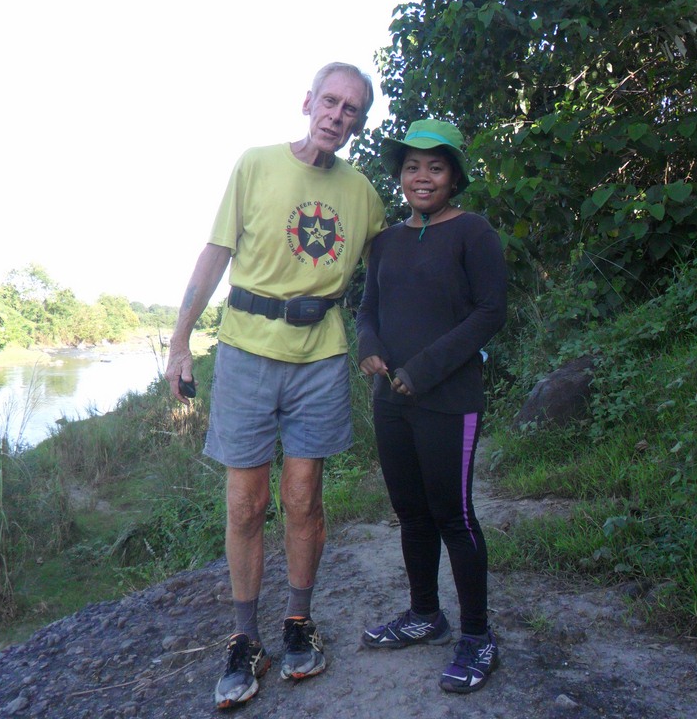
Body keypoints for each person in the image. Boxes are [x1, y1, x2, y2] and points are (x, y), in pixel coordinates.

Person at [165, 62, 386, 709]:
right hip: (245, 352)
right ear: (307, 101)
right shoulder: (255, 164)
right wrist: (179, 342)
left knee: (303, 497)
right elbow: (214, 254)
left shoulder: (363, 193)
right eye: (330, 101)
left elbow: (390, 274)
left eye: (351, 109)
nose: (337, 115)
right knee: (244, 502)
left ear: (359, 122)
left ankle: (297, 622)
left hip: (321, 357)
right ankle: (244, 638)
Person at [355, 119, 507, 694]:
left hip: (450, 401)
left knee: (454, 515)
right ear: (400, 175)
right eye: (412, 167)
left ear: (454, 176)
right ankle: (425, 614)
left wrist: (423, 369)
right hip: (390, 402)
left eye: (435, 167)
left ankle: (478, 636)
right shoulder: (386, 241)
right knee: (411, 513)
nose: (422, 177)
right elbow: (367, 308)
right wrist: (369, 345)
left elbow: (490, 312)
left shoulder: (473, 232)